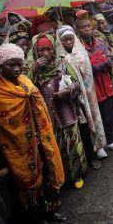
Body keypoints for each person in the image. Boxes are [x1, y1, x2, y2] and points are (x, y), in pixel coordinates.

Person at [0, 43, 65, 223]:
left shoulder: (25, 81)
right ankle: (36, 216)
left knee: (47, 175)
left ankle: (50, 210)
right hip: (17, 145)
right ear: (0, 66)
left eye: (19, 64)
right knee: (28, 183)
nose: (17, 68)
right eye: (11, 65)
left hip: (40, 138)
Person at [26, 34, 88, 189]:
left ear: (54, 48)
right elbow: (24, 90)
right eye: (41, 50)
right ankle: (60, 178)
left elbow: (77, 85)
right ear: (36, 51)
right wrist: (34, 69)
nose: (45, 53)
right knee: (56, 149)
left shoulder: (62, 62)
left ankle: (76, 175)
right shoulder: (32, 68)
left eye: (48, 49)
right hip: (47, 118)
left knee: (72, 145)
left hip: (66, 112)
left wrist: (67, 92)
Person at [56, 25, 108, 166]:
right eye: (64, 40)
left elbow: (87, 73)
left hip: (88, 94)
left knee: (91, 122)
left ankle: (96, 150)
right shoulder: (59, 58)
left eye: (71, 39)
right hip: (72, 100)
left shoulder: (81, 53)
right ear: (59, 41)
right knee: (81, 128)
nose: (68, 42)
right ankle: (87, 157)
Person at [76, 18, 113, 151]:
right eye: (83, 27)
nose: (87, 29)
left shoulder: (100, 42)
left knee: (107, 113)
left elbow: (109, 60)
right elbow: (84, 67)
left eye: (89, 27)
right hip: (91, 87)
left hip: (105, 83)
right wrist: (98, 62)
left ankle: (109, 141)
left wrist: (96, 63)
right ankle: (99, 144)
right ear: (78, 30)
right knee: (95, 116)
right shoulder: (77, 47)